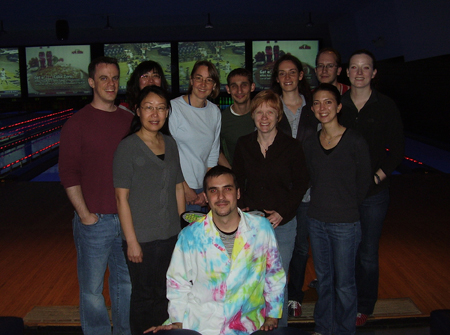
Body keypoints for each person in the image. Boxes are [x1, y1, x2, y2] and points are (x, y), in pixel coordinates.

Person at [146, 166, 286, 335]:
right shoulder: (191, 235)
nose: (221, 197)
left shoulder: (261, 229)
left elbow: (274, 275)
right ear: (206, 197)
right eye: (214, 191)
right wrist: (177, 321)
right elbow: (177, 283)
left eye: (227, 189)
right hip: (202, 325)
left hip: (247, 326)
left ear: (238, 193)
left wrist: (272, 316)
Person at [59, 56, 133, 335]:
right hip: (95, 222)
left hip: (126, 219)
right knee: (91, 290)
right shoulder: (77, 124)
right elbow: (68, 172)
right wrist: (84, 215)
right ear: (92, 82)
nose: (111, 83)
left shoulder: (129, 119)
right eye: (104, 78)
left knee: (125, 284)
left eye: (115, 78)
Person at [233, 90, 309, 327]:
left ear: (279, 116)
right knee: (251, 280)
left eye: (270, 112)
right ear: (253, 116)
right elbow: (237, 181)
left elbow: (301, 183)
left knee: (277, 281)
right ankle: (251, 327)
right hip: (251, 225)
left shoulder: (292, 146)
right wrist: (244, 209)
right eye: (259, 112)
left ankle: (279, 328)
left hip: (282, 225)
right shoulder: (244, 144)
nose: (264, 117)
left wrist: (283, 212)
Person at [339, 49, 405, 326]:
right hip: (343, 194)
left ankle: (364, 305)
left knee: (367, 252)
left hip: (374, 194)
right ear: (347, 72)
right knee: (346, 250)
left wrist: (377, 176)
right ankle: (345, 299)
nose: (360, 73)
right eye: (354, 68)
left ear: (374, 73)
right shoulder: (339, 104)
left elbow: (398, 149)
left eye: (365, 68)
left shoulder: (385, 105)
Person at [113, 86, 185, 335]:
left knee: (167, 294)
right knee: (144, 296)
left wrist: (182, 231)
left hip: (170, 236)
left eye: (161, 108)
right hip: (141, 239)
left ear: (167, 112)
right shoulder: (128, 147)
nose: (155, 114)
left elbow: (178, 188)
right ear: (138, 111)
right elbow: (121, 199)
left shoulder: (171, 143)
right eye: (149, 107)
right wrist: (131, 241)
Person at [303, 83, 372, 335]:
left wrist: (346, 206)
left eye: (328, 102)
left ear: (339, 106)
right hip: (317, 221)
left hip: (345, 223)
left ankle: (344, 330)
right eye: (317, 103)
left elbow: (364, 182)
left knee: (344, 284)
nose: (323, 108)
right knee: (325, 281)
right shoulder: (310, 144)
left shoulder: (354, 140)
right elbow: (310, 177)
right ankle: (324, 327)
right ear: (312, 109)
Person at [271, 54, 318, 318]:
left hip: (308, 191)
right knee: (278, 248)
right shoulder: (270, 107)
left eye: (292, 72)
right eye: (282, 73)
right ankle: (276, 295)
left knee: (301, 246)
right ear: (277, 78)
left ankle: (295, 296)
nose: (287, 77)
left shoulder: (314, 107)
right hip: (279, 191)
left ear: (300, 75)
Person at [169, 60, 221, 212]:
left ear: (214, 85)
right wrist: (185, 188)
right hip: (178, 187)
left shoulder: (215, 112)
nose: (203, 84)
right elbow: (168, 154)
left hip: (203, 191)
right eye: (199, 78)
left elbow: (212, 155)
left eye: (209, 80)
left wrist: (208, 189)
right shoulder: (174, 108)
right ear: (191, 80)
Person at [219, 68, 256, 166]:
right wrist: (232, 176)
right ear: (228, 89)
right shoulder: (221, 119)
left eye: (244, 85)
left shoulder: (263, 115)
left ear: (252, 87)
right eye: (234, 86)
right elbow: (215, 151)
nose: (239, 91)